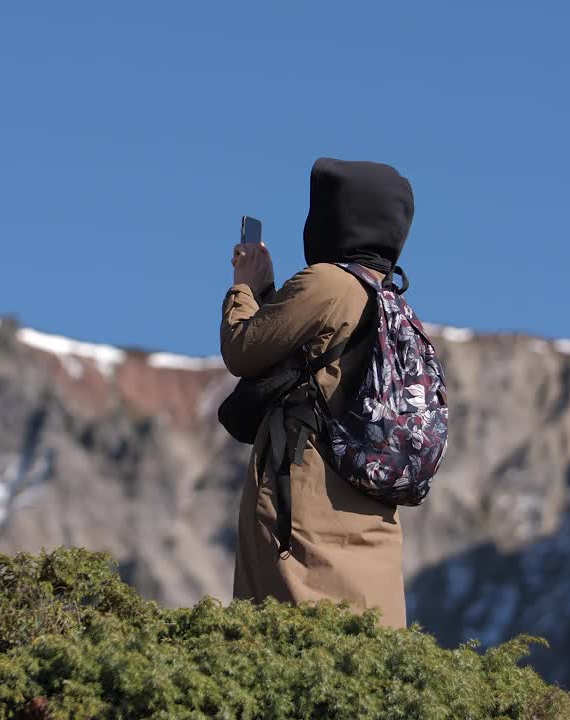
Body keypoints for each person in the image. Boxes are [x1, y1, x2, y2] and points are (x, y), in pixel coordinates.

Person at [220, 157, 414, 629]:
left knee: (284, 639)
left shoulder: (328, 283)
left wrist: (245, 288)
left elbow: (244, 349)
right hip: (363, 508)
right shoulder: (388, 300)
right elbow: (299, 358)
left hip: (306, 503)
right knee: (364, 645)